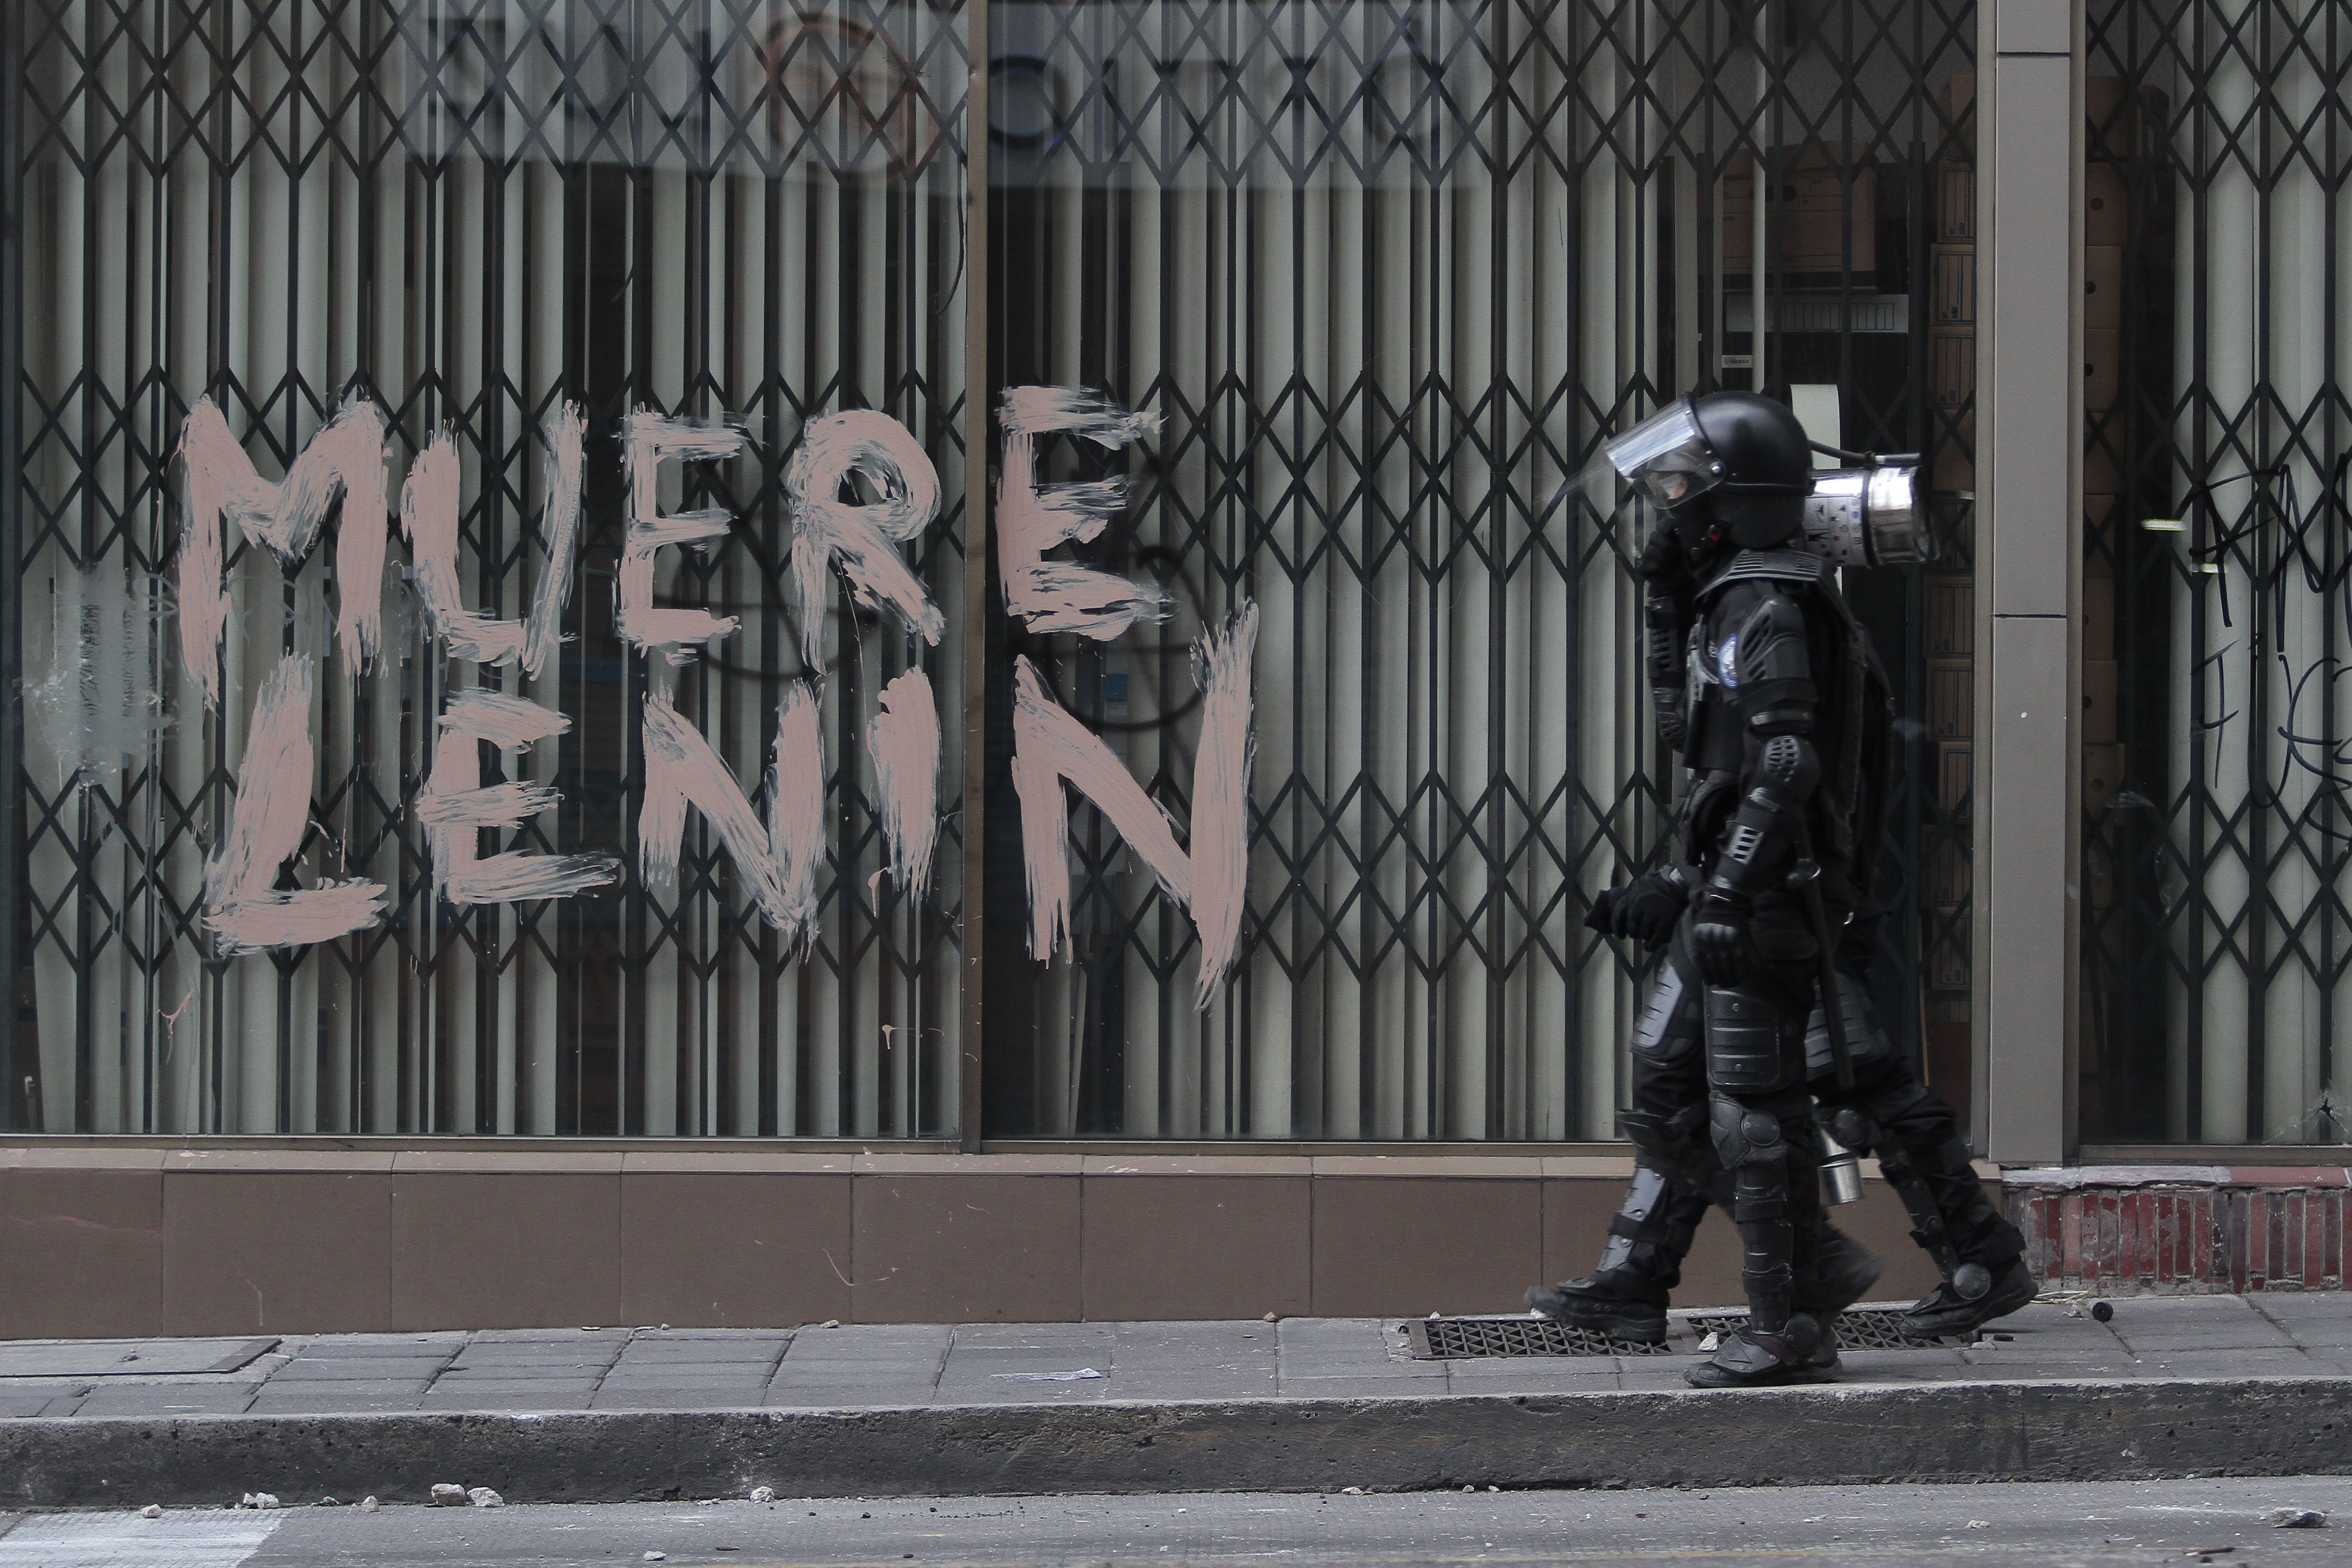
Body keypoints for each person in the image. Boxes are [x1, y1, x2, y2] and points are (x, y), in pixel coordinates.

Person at [1527, 392, 2032, 1387]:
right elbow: (1700, 741)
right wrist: (1665, 604)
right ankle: (1653, 1275)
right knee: (1680, 1087)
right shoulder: (1745, 597)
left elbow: (1789, 765)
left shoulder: (1767, 604)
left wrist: (1717, 892)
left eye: (1682, 486)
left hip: (1784, 898)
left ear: (1731, 498)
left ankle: (1813, 1300)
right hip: (1753, 885)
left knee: (1797, 1095)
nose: (1666, 502)